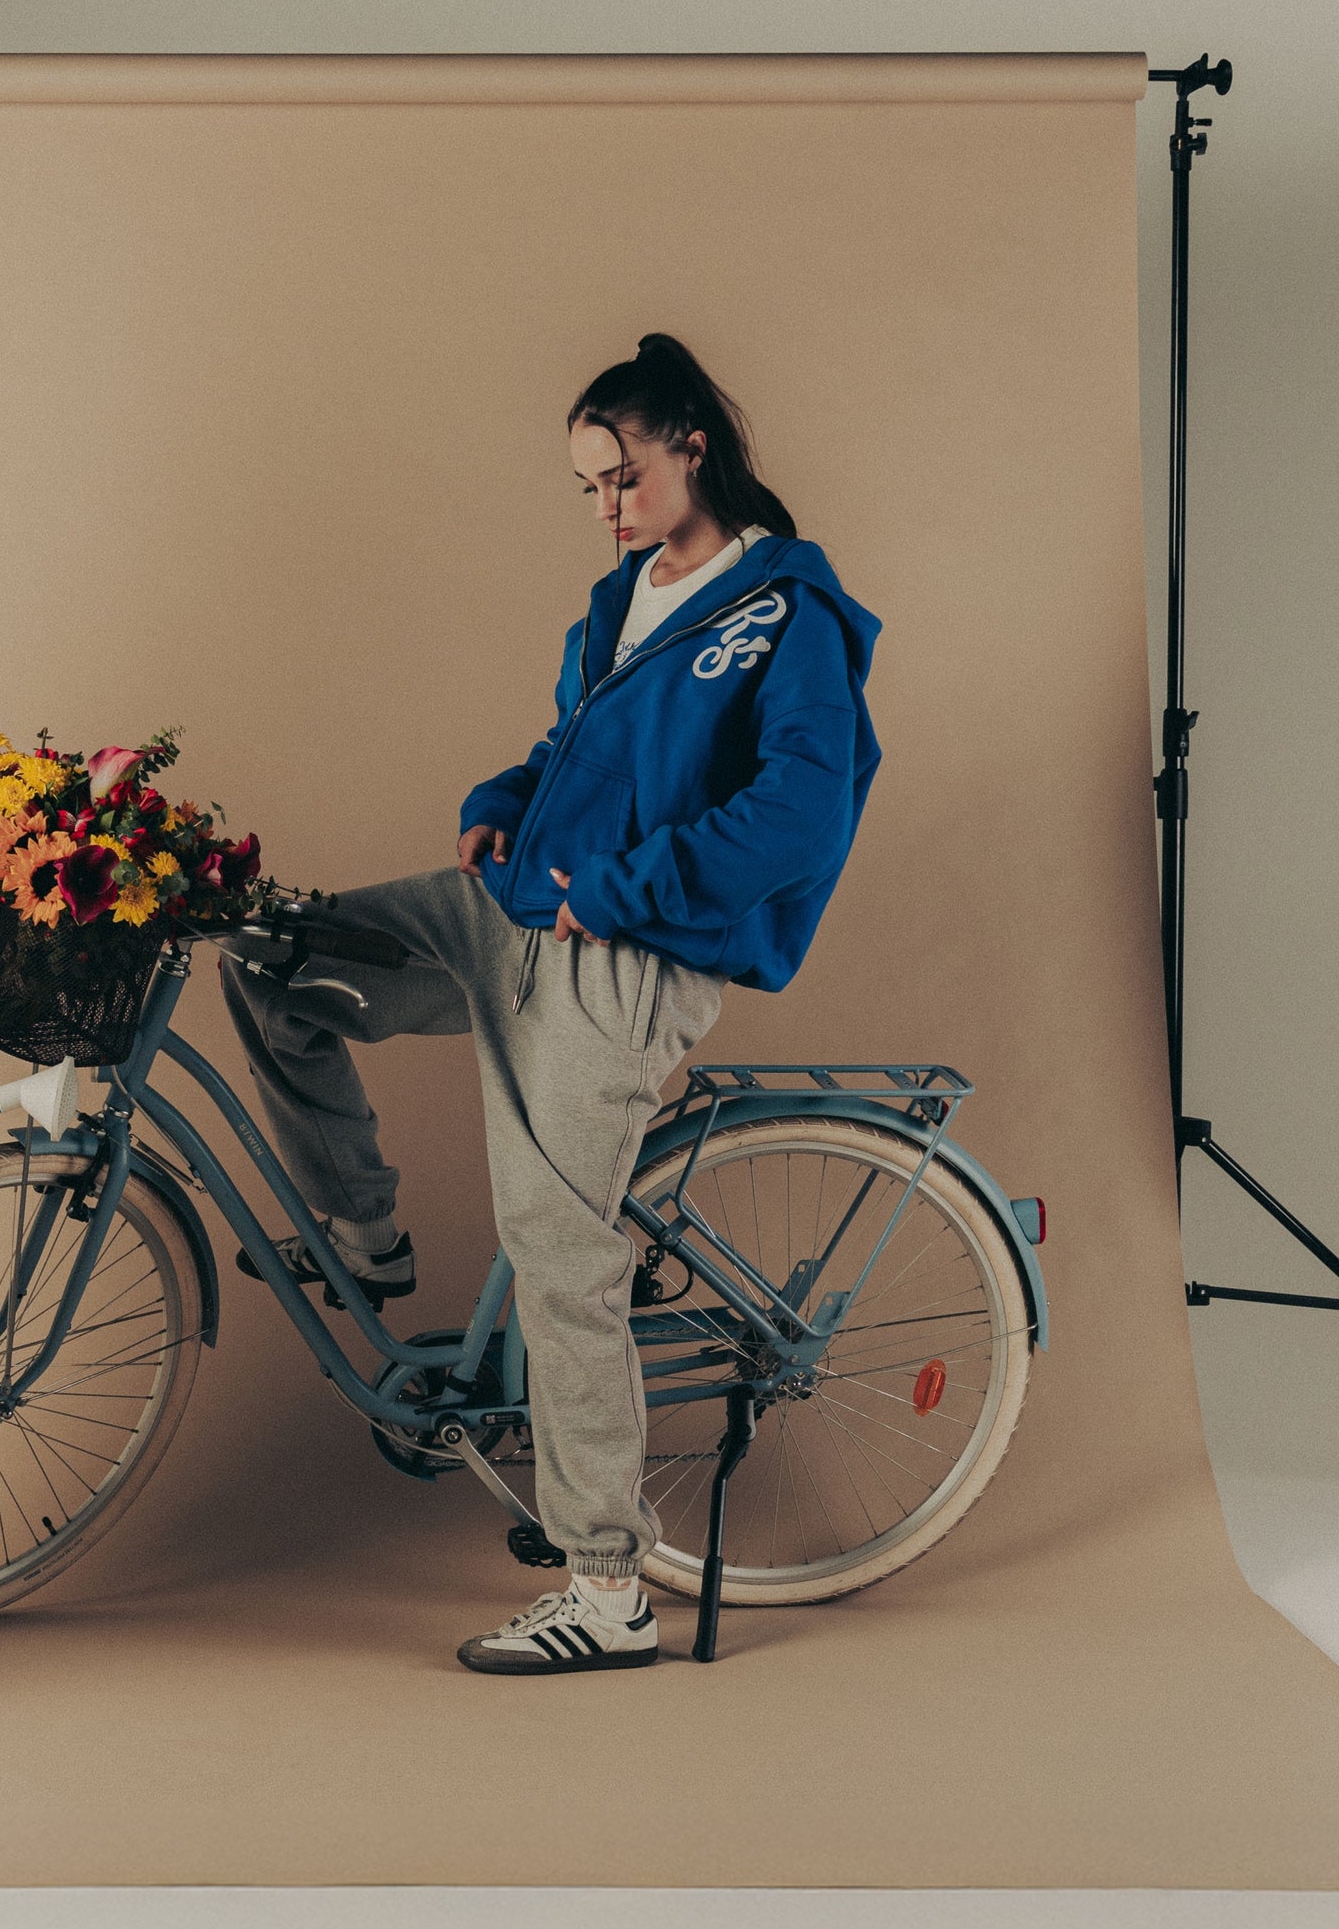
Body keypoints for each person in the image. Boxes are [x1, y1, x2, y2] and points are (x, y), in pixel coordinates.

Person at [221, 334, 883, 1675]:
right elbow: (575, 753)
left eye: (622, 478)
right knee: (274, 957)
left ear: (692, 445)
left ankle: (607, 1587)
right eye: (588, 487)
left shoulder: (787, 610)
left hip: (628, 952)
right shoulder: (622, 597)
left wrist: (628, 888)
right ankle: (364, 1232)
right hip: (519, 908)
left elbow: (802, 814)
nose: (606, 508)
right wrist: (504, 800)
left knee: (556, 1251)